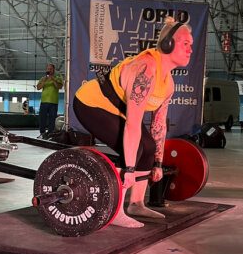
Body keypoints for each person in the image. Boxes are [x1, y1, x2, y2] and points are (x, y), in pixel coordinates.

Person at [73, 17, 193, 228]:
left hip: (117, 109)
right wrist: (128, 169)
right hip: (90, 103)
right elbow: (133, 125)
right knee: (134, 147)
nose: (190, 49)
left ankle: (136, 204)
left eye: (191, 45)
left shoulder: (169, 84)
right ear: (168, 43)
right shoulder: (145, 69)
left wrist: (157, 162)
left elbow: (158, 125)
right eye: (185, 44)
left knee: (148, 147)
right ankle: (116, 211)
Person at [37, 63, 63, 138]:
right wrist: (44, 81)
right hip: (44, 102)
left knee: (52, 119)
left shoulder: (58, 77)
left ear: (53, 70)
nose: (49, 70)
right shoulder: (43, 78)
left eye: (50, 69)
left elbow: (59, 86)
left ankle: (50, 134)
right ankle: (42, 133)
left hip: (53, 102)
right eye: (48, 69)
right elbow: (38, 87)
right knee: (42, 119)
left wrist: (53, 79)